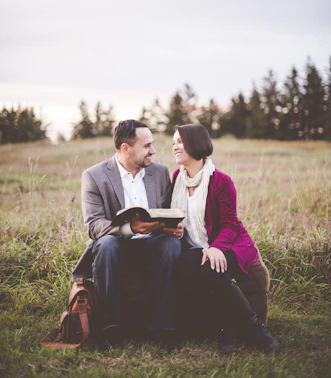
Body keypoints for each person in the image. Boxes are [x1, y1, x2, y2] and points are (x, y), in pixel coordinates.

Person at [72, 120, 183, 349]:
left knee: (171, 245)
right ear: (126, 148)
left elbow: (166, 211)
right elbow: (94, 225)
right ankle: (110, 326)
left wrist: (171, 226)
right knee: (105, 244)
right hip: (117, 245)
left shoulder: (160, 172)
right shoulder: (94, 176)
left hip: (152, 243)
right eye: (147, 146)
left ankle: (162, 326)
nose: (153, 150)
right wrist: (131, 229)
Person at [171, 124, 279, 352]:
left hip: (230, 243)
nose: (175, 147)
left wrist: (216, 247)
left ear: (195, 143)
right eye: (174, 142)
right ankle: (223, 328)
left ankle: (255, 330)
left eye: (180, 141)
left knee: (212, 269)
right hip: (196, 247)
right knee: (182, 266)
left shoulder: (220, 180)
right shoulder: (177, 179)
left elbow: (230, 224)